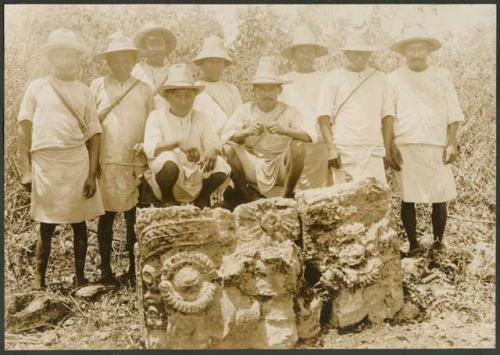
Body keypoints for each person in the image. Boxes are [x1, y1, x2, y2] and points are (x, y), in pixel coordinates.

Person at [17, 29, 104, 289]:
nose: (66, 61)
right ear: (51, 58)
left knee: (79, 223)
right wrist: (26, 169)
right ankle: (39, 281)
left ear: (78, 59)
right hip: (45, 163)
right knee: (46, 224)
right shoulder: (36, 87)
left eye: (71, 56)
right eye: (60, 55)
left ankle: (80, 278)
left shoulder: (85, 91)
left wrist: (91, 174)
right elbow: (24, 128)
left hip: (76, 161)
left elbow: (95, 133)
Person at [383, 25, 465, 256]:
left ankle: (438, 242)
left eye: (421, 48)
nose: (417, 53)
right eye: (412, 49)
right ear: (404, 52)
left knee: (440, 196)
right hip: (405, 145)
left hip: (436, 145)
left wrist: (451, 143)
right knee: (408, 198)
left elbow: (453, 112)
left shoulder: (442, 75)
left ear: (428, 51)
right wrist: (389, 147)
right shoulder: (393, 79)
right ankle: (413, 244)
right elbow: (388, 115)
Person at [90, 33, 154, 285]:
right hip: (105, 160)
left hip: (134, 161)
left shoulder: (144, 88)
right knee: (105, 217)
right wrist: (92, 159)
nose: (121, 65)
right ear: (109, 62)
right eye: (116, 60)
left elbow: (152, 124)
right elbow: (90, 125)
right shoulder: (96, 86)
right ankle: (105, 269)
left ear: (133, 61)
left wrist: (146, 152)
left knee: (133, 218)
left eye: (126, 60)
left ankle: (133, 270)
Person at [222, 56, 316, 199]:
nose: (267, 94)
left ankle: (287, 195)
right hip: (253, 163)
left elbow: (310, 136)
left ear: (280, 91)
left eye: (271, 89)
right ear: (254, 91)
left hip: (281, 165)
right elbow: (225, 137)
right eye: (262, 89)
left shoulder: (290, 111)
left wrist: (284, 130)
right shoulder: (245, 110)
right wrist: (247, 132)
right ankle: (246, 194)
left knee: (297, 146)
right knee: (228, 149)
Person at [143, 63, 231, 208]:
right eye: (178, 96)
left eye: (188, 96)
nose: (183, 101)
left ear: (195, 97)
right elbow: (150, 148)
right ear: (167, 96)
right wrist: (178, 143)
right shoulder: (157, 116)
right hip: (167, 179)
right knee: (168, 157)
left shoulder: (200, 117)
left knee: (221, 164)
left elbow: (214, 143)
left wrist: (212, 151)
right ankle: (167, 201)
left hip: (196, 179)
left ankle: (202, 199)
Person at [316, 28, 388, 186]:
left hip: (373, 149)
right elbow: (323, 117)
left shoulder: (380, 78)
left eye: (364, 53)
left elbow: (387, 116)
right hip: (344, 149)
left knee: (376, 200)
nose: (359, 57)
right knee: (345, 203)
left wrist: (388, 148)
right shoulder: (333, 79)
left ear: (369, 55)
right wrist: (332, 149)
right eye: (355, 52)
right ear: (346, 53)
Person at [279, 25, 331, 190]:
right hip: (293, 143)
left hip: (320, 142)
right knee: (293, 189)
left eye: (309, 51)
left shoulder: (326, 79)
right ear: (293, 55)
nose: (305, 56)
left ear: (315, 54)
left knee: (320, 192)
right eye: (300, 51)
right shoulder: (284, 81)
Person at [193, 35, 242, 136]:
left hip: (228, 140)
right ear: (201, 64)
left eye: (219, 62)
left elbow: (239, 119)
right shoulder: (193, 89)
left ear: (224, 65)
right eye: (210, 62)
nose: (215, 67)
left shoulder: (232, 90)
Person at [131, 22, 177, 109]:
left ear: (166, 47)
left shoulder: (173, 73)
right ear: (145, 47)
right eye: (151, 44)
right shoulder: (136, 71)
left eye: (159, 44)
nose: (156, 49)